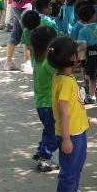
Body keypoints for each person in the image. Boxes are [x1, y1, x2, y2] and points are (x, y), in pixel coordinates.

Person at [47, 37, 90, 192]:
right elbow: (63, 112)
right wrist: (66, 138)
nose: (79, 53)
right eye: (76, 51)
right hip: (70, 134)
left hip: (78, 130)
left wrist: (83, 118)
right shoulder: (64, 82)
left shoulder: (65, 78)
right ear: (72, 58)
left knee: (77, 165)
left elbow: (73, 106)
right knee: (69, 169)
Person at [30, 26, 60, 173]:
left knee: (49, 130)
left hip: (41, 102)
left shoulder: (36, 58)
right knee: (53, 133)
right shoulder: (48, 62)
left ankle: (41, 150)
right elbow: (59, 74)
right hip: (50, 104)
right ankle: (44, 158)